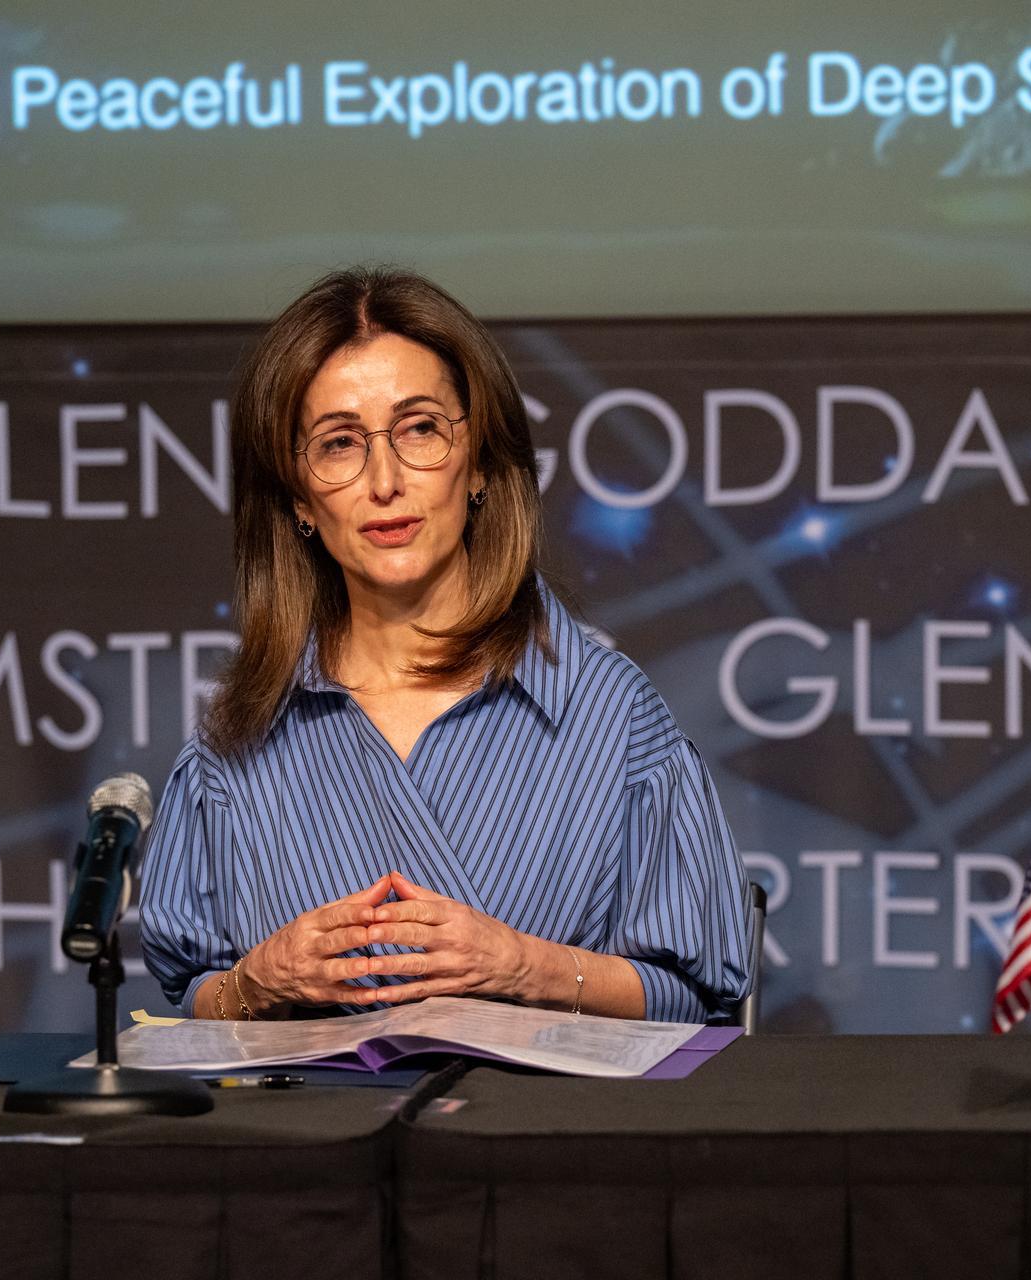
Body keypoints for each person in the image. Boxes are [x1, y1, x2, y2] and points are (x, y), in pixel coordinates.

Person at [138, 266, 750, 1023]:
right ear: (299, 498)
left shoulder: (611, 715)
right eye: (338, 444)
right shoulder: (236, 739)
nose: (384, 480)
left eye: (419, 428)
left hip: (539, 1136)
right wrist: (254, 984)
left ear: (482, 463)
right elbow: (192, 990)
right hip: (306, 1136)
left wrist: (524, 966)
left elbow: (698, 1001)